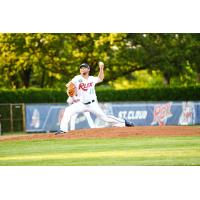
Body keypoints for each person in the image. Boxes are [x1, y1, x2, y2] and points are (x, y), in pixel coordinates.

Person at [55, 62, 134, 134]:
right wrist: (72, 95)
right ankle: (63, 130)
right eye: (81, 68)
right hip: (81, 104)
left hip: (92, 104)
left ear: (88, 69)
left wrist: (101, 68)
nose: (82, 69)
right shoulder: (76, 78)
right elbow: (69, 87)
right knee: (68, 110)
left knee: (105, 118)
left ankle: (124, 122)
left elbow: (100, 78)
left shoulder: (92, 79)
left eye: (84, 68)